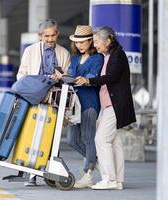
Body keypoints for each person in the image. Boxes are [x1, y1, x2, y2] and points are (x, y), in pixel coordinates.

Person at [76, 26, 136, 190]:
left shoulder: (118, 55)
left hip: (115, 105)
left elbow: (112, 77)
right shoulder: (108, 56)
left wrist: (89, 81)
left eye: (96, 41)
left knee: (101, 139)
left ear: (107, 40)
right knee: (114, 142)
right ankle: (117, 181)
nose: (94, 45)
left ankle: (108, 179)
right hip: (107, 105)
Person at [17, 18, 70, 186]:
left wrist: (60, 77)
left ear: (57, 34)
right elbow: (21, 75)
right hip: (34, 99)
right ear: (40, 36)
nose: (50, 39)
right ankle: (30, 175)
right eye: (47, 36)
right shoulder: (30, 51)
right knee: (31, 135)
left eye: (53, 35)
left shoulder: (63, 53)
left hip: (55, 101)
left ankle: (51, 172)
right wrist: (35, 83)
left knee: (53, 137)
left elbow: (68, 77)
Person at [67, 25, 103, 188]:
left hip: (89, 102)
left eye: (83, 42)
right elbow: (70, 76)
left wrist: (81, 79)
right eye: (77, 42)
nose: (79, 45)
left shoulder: (98, 58)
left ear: (90, 41)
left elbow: (92, 76)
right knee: (72, 140)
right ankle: (95, 160)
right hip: (74, 104)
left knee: (88, 138)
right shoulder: (73, 59)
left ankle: (88, 174)